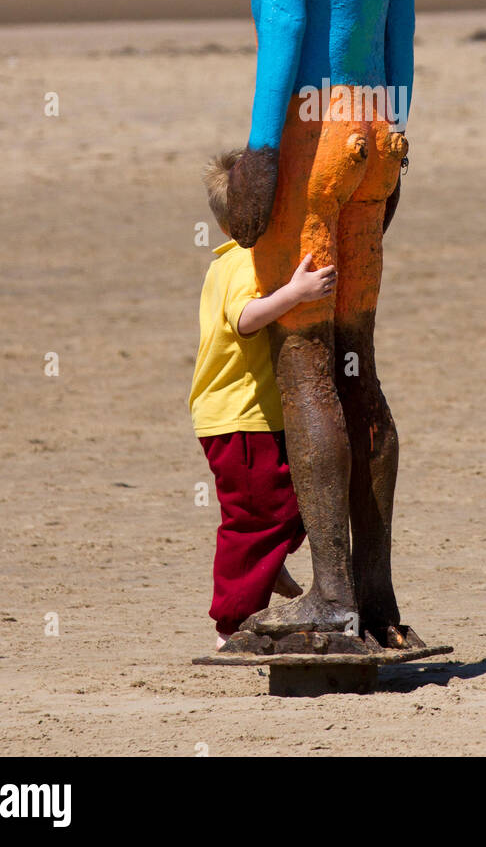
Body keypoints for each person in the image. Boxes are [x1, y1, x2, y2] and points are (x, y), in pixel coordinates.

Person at [226, 0, 414, 643]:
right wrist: (396, 142)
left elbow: (285, 35)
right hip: (376, 128)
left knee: (304, 362)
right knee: (359, 366)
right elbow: (399, 33)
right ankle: (376, 599)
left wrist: (261, 155)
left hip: (308, 132)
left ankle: (333, 597)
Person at [190, 150, 336, 647]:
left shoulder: (229, 260)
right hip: (239, 417)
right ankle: (231, 624)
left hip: (245, 416)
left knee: (293, 501)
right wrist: (297, 293)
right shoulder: (243, 265)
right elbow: (246, 319)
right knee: (254, 520)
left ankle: (267, 567)